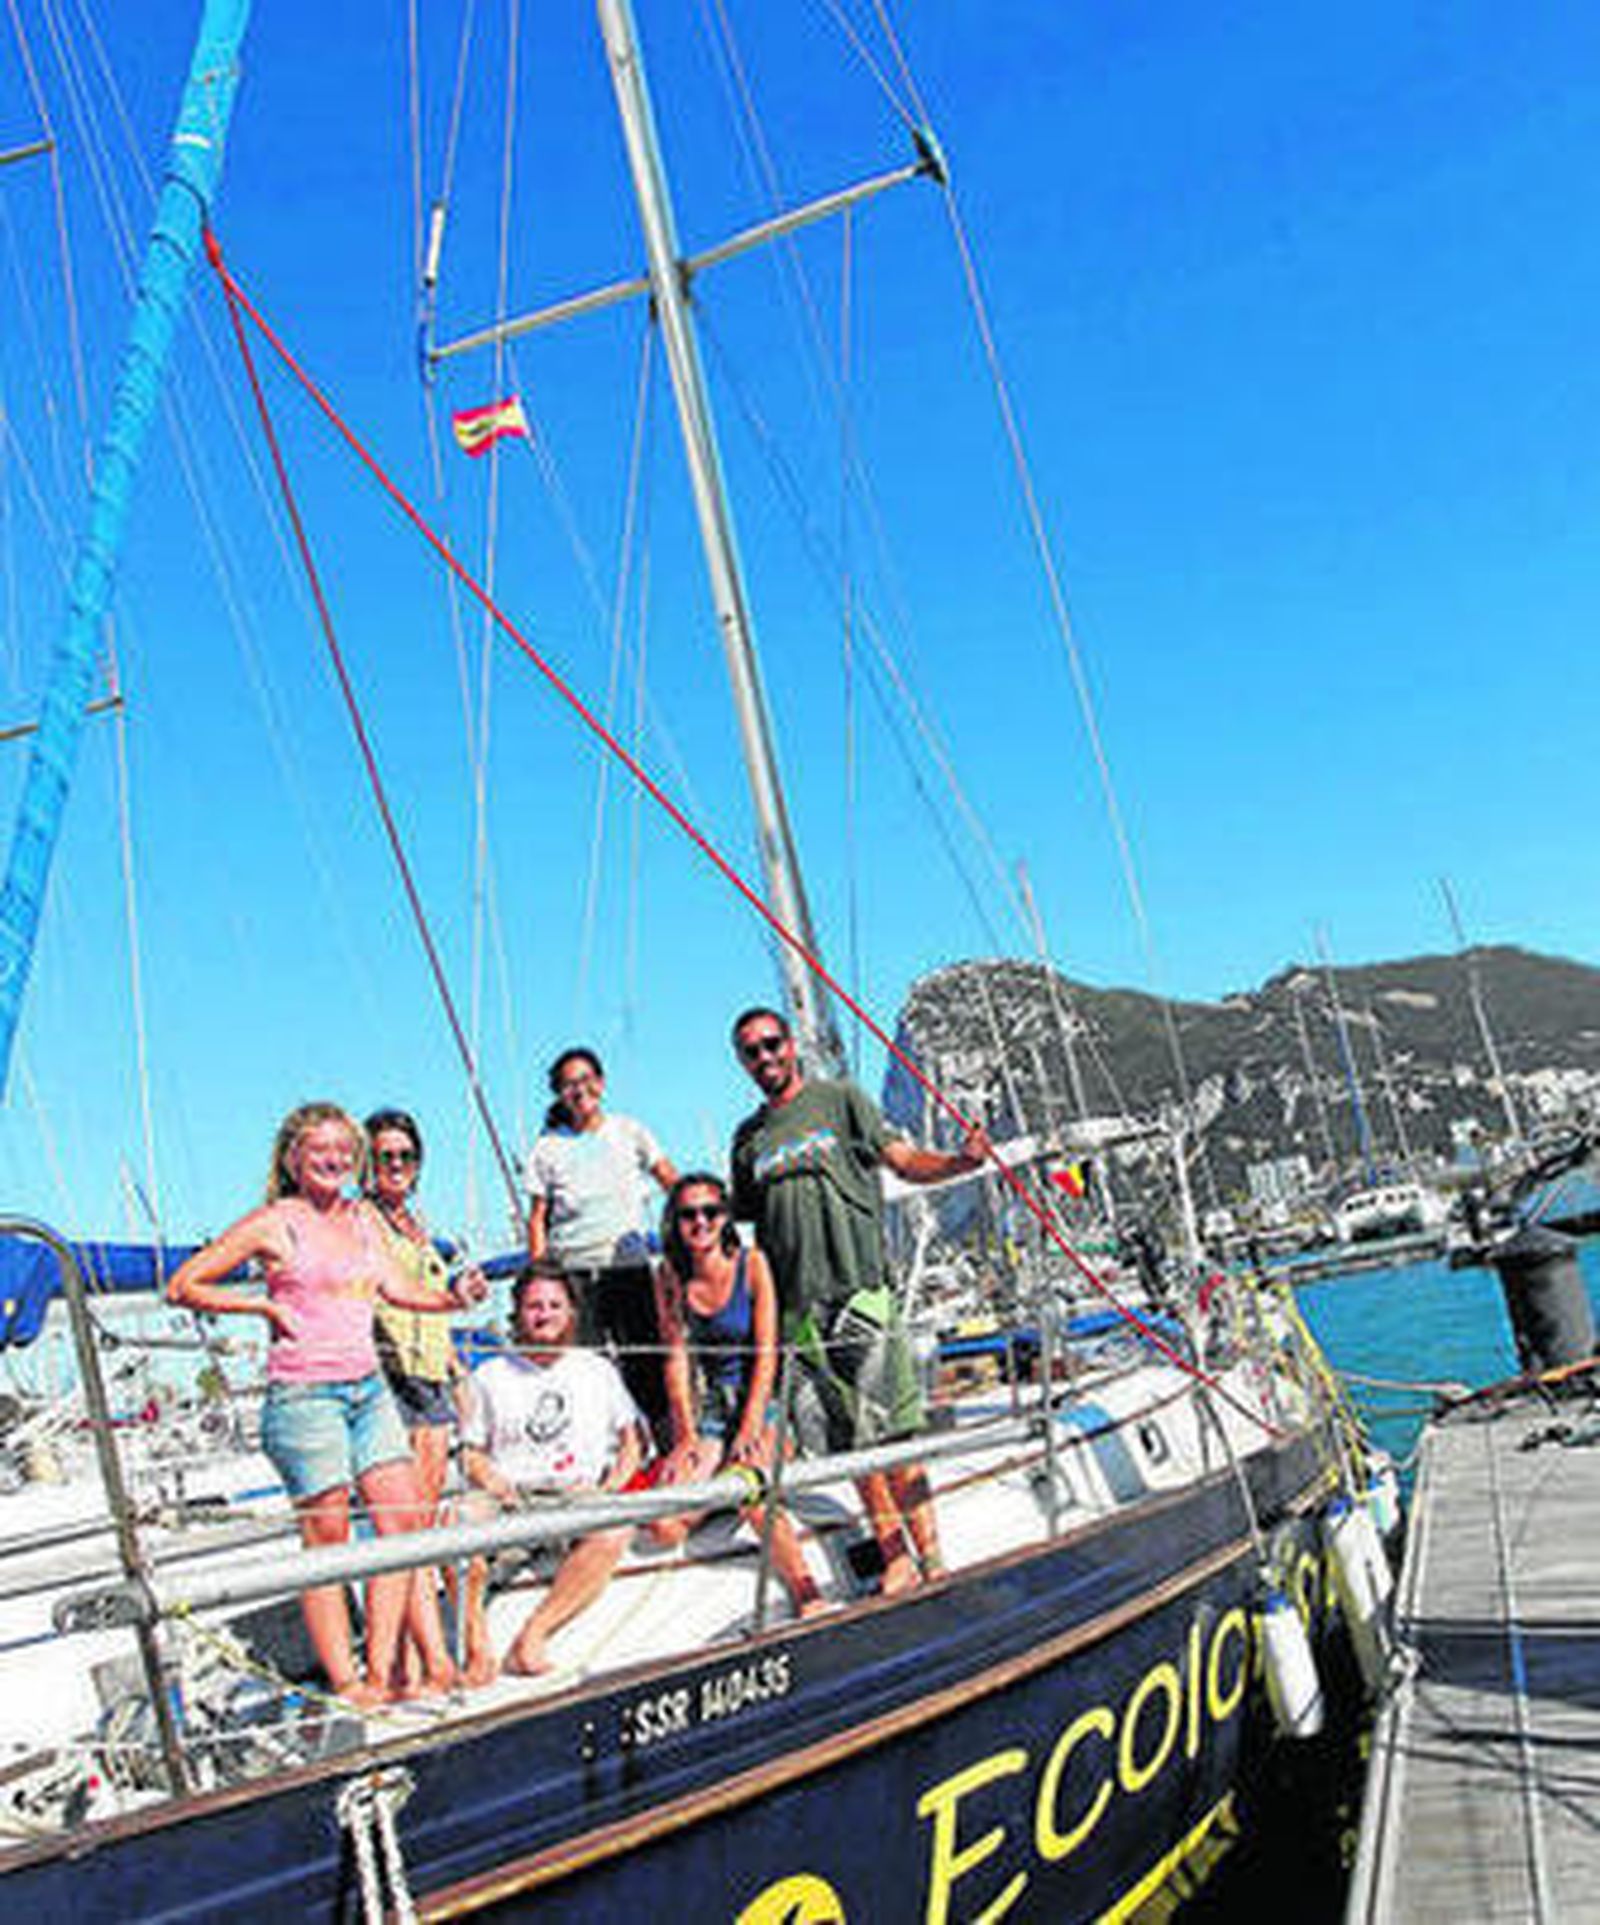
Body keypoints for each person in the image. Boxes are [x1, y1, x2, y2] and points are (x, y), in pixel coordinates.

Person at [168, 1102, 477, 1707]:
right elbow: (184, 1285)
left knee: (404, 1526)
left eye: (344, 1149)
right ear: (292, 1159)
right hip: (305, 1398)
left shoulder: (362, 1220)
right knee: (328, 1540)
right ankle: (348, 1682)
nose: (335, 1158)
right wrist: (260, 1307)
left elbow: (402, 1291)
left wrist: (453, 1299)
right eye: (320, 1150)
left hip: (367, 1391)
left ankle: (386, 1668)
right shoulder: (276, 1221)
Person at [729, 1007, 988, 1595]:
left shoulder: (841, 1101)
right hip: (799, 1314)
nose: (765, 1057)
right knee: (851, 1447)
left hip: (859, 1293)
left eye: (772, 1044)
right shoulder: (748, 1140)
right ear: (743, 1063)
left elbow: (901, 1161)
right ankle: (894, 1554)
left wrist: (960, 1163)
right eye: (752, 1051)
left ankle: (932, 1551)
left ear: (790, 1045)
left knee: (895, 1435)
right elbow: (746, 1228)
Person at [651, 1172, 825, 1618]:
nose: (701, 1222)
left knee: (748, 1490)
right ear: (675, 1221)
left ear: (726, 1217)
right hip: (714, 1411)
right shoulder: (669, 1275)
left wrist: (752, 1426)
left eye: (711, 1211)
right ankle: (720, 1486)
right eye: (689, 1214)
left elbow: (768, 1354)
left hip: (764, 1400)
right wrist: (686, 1437)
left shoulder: (752, 1265)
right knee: (667, 1526)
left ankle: (808, 1592)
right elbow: (676, 1360)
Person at [459, 1261, 644, 1679]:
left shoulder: (596, 1370)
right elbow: (470, 1452)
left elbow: (632, 1443)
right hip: (510, 1495)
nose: (543, 1315)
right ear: (517, 1314)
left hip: (573, 1493)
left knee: (614, 1530)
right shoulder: (489, 1376)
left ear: (571, 1313)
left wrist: (611, 1487)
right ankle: (475, 1647)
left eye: (553, 1306)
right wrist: (491, 1481)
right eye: (533, 1306)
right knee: (453, 1529)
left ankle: (533, 1635)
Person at [525, 1047, 677, 1442]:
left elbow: (670, 1182)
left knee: (645, 1365)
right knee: (582, 1369)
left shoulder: (630, 1131)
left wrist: (691, 1228)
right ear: (559, 1094)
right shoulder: (547, 1148)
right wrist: (539, 1275)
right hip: (573, 1274)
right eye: (569, 1084)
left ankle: (666, 1448)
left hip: (628, 1269)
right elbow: (538, 1218)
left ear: (602, 1083)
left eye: (586, 1080)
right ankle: (594, 1454)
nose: (580, 1090)